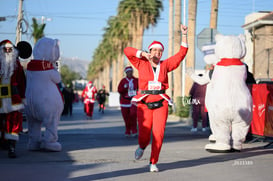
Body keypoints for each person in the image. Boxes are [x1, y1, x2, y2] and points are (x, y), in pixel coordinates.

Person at [123, 24, 188, 172]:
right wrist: (141, 53)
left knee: (158, 134)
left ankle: (153, 162)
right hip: (144, 103)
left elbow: (181, 54)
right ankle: (142, 146)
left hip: (161, 102)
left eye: (160, 51)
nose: (157, 53)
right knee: (145, 135)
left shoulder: (165, 65)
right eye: (154, 50)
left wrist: (184, 34)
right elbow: (127, 51)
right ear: (150, 51)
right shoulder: (141, 63)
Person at [0, 40, 27, 158]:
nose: (7, 51)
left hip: (13, 98)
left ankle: (12, 147)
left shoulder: (17, 65)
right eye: (4, 49)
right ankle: (3, 143)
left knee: (14, 123)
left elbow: (22, 82)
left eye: (9, 49)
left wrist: (23, 97)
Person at [118, 66, 138, 137]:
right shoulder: (123, 81)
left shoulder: (136, 80)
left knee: (133, 116)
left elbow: (140, 89)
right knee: (126, 118)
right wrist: (125, 88)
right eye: (128, 72)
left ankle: (134, 130)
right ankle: (127, 130)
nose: (129, 73)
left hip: (133, 101)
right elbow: (119, 90)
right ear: (126, 73)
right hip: (124, 102)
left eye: (131, 72)